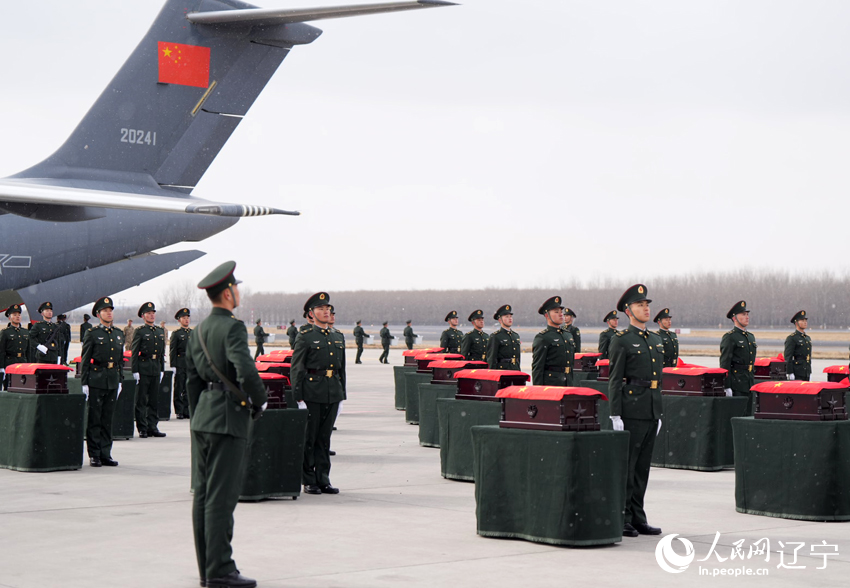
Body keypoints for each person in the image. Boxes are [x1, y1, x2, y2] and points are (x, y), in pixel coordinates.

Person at [185, 260, 266, 588]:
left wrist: (197, 415)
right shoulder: (232, 327)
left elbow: (191, 380)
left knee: (203, 496)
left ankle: (207, 569)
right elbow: (245, 370)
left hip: (204, 415)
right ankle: (220, 569)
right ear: (228, 293)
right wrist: (260, 399)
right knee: (221, 496)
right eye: (237, 288)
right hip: (228, 416)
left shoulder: (199, 330)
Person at [607, 284, 664, 538]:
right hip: (631, 409)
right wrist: (615, 414)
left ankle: (639, 517)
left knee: (642, 468)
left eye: (647, 304)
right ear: (628, 311)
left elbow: (658, 380)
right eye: (640, 305)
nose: (646, 308)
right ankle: (623, 517)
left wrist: (658, 413)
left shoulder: (654, 339)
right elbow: (615, 379)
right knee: (628, 467)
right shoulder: (621, 340)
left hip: (651, 410)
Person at [290, 292, 346, 495]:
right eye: (320, 309)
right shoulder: (305, 337)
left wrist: (342, 395)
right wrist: (298, 397)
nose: (325, 312)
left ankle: (324, 479)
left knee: (324, 438)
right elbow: (296, 368)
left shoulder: (337, 336)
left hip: (332, 392)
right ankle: (309, 479)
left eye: (327, 309)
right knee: (310, 438)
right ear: (311, 314)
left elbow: (342, 369)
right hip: (312, 392)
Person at [80, 296, 125, 468]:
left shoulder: (118, 334)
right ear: (99, 314)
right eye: (105, 311)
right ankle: (94, 455)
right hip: (96, 380)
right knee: (95, 419)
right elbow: (85, 360)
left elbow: (120, 360)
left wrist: (120, 380)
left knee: (108, 419)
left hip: (112, 380)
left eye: (110, 310)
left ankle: (106, 453)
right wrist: (84, 383)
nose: (109, 313)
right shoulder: (92, 333)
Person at [132, 301, 166, 438]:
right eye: (149, 314)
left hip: (155, 367)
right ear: (143, 316)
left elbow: (162, 351)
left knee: (153, 399)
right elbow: (134, 352)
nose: (152, 316)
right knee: (141, 400)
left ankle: (153, 426)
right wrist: (135, 370)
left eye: (153, 313)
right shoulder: (140, 331)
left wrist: (162, 368)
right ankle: (142, 428)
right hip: (144, 367)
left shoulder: (159, 331)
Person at [719, 300, 757, 413]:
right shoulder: (730, 337)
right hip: (737, 383)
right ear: (735, 318)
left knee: (748, 414)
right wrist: (727, 386)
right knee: (737, 414)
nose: (747, 317)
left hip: (749, 381)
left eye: (747, 314)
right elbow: (725, 363)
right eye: (743, 314)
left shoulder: (750, 337)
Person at [531, 296, 576, 386]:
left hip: (568, 382)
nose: (561, 314)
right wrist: (538, 390)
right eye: (556, 312)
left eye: (561, 312)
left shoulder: (567, 335)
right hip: (552, 384)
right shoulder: (543, 337)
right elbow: (538, 369)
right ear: (547, 315)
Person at [170, 308, 193, 419]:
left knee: (188, 388)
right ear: (179, 320)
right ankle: (179, 410)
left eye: (188, 317)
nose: (186, 320)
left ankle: (187, 409)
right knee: (179, 387)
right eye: (184, 318)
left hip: (190, 364)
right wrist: (173, 365)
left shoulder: (193, 333)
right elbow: (172, 350)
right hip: (180, 363)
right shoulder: (176, 334)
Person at [0, 304, 29, 390]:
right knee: (9, 386)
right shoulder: (5, 332)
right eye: (14, 315)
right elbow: (1, 351)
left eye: (19, 315)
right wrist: (1, 367)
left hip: (23, 362)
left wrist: (30, 364)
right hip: (10, 362)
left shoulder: (26, 332)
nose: (17, 317)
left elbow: (29, 351)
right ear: (10, 318)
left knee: (22, 385)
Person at [486, 305, 521, 369]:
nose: (510, 318)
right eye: (507, 317)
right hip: (503, 370)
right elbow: (491, 359)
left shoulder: (515, 336)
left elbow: (518, 357)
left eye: (510, 316)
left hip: (515, 369)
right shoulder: (495, 336)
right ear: (500, 320)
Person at [785, 310, 812, 381]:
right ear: (796, 323)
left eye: (805, 320)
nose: (805, 322)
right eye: (802, 320)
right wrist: (790, 372)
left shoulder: (807, 338)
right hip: (797, 372)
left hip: (806, 372)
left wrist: (809, 372)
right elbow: (788, 357)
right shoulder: (792, 338)